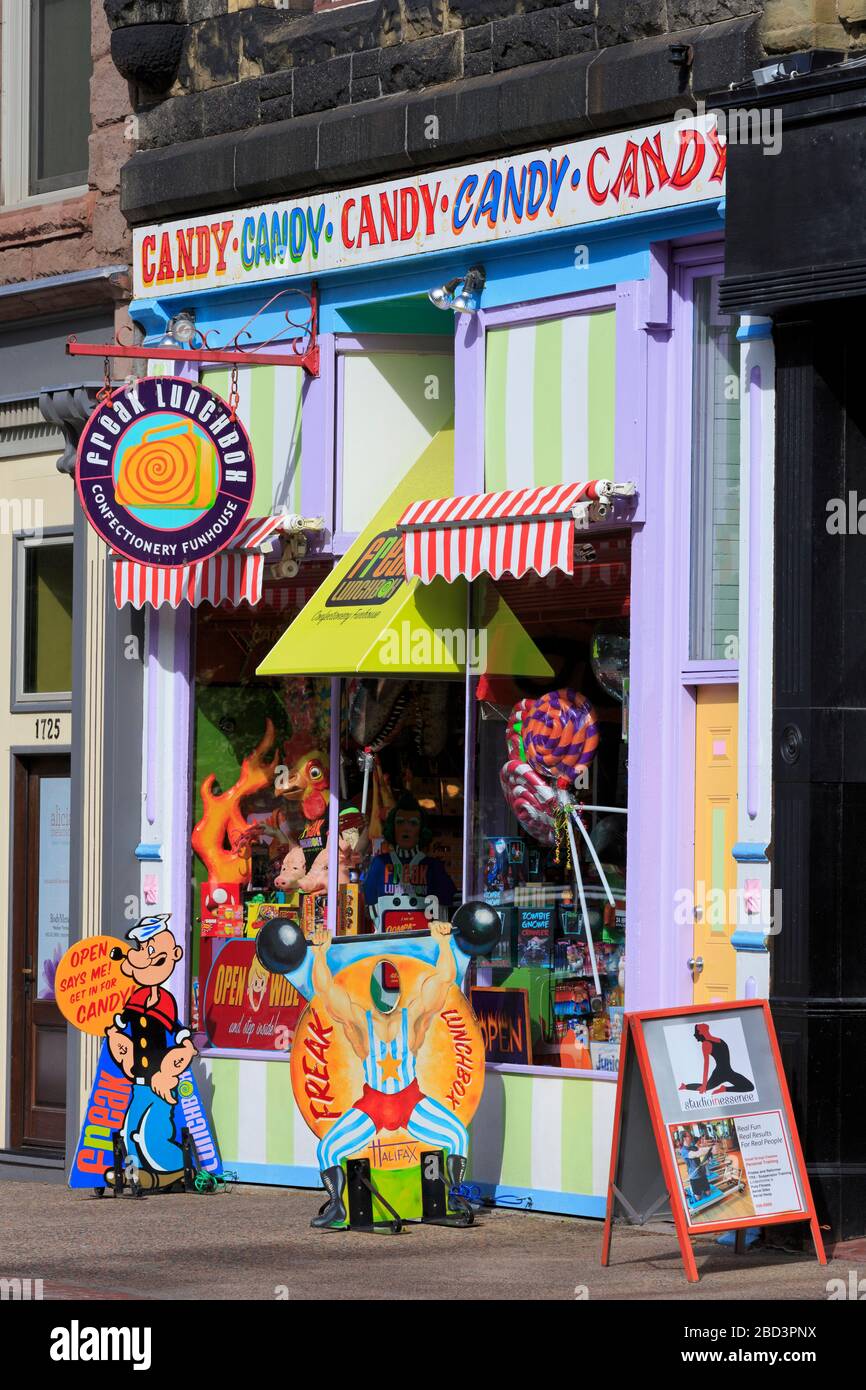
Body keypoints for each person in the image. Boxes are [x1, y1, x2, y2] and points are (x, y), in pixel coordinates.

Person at [307, 919, 469, 1228]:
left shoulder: (413, 1016)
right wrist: (319, 953)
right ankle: (339, 1208)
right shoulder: (360, 1021)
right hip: (373, 1105)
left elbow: (445, 979)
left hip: (410, 1100)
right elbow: (325, 990)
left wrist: (444, 942)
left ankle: (453, 1198)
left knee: (457, 1135)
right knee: (327, 1148)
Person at [104, 914, 196, 1190]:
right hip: (139, 1082)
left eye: (150, 950)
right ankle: (134, 1173)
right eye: (142, 949)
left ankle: (176, 1168)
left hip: (160, 1085)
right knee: (128, 1129)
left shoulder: (166, 1001)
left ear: (175, 955)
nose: (143, 956)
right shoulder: (136, 999)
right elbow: (119, 1026)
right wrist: (115, 1038)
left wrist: (173, 1067)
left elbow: (181, 1038)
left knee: (153, 1133)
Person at [363, 792, 457, 926]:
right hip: (387, 940)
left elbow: (446, 902)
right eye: (400, 822)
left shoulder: (433, 867)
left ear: (421, 830)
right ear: (393, 828)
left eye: (413, 823)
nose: (406, 828)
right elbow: (369, 903)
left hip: (424, 941)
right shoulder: (380, 864)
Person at [679, 1022, 756, 1096]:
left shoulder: (719, 1040)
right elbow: (706, 1064)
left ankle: (724, 1089)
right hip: (719, 1073)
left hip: (729, 1072)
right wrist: (704, 1084)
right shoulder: (706, 1044)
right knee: (706, 1087)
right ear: (701, 1031)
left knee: (750, 1087)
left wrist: (726, 1089)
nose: (701, 1023)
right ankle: (685, 1086)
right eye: (699, 1026)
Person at [680, 1131, 712, 1200]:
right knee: (698, 1198)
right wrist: (709, 1149)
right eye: (689, 1136)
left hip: (702, 1174)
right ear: (684, 1138)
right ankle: (692, 1190)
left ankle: (702, 1190)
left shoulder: (693, 1147)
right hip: (694, 1176)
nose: (691, 1137)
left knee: (708, 1193)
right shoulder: (683, 1150)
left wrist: (710, 1149)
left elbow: (700, 1150)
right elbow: (695, 1154)